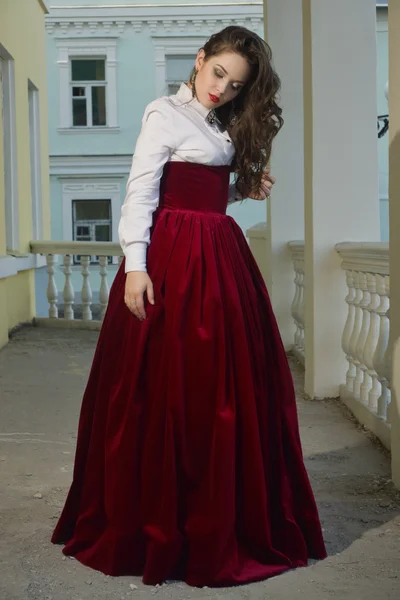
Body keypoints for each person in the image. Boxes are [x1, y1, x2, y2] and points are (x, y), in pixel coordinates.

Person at [52, 25, 327, 587]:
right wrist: (136, 267)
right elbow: (143, 192)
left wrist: (240, 190)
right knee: (162, 386)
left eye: (235, 84)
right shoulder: (163, 113)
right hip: (172, 258)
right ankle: (155, 520)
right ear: (200, 61)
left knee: (221, 386)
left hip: (219, 256)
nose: (222, 88)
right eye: (218, 73)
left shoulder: (222, 123)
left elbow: (205, 190)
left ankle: (215, 511)